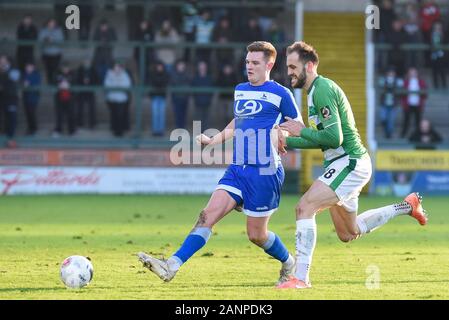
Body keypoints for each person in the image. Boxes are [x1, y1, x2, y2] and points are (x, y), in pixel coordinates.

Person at [138, 41, 300, 285]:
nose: (249, 66)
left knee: (256, 235)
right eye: (247, 62)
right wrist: (214, 140)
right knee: (206, 216)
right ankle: (171, 265)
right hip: (237, 169)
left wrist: (281, 132)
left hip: (265, 173)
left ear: (269, 64)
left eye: (255, 62)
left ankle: (289, 262)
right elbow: (238, 121)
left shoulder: (281, 94)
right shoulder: (240, 89)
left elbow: (298, 126)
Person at [273, 41, 428, 289]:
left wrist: (300, 132)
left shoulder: (321, 89)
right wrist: (290, 141)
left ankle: (300, 278)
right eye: (288, 66)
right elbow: (322, 141)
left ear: (309, 65)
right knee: (349, 233)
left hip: (350, 162)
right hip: (343, 163)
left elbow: (335, 139)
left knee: (304, 207)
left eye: (293, 66)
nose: (289, 71)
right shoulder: (314, 92)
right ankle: (407, 206)